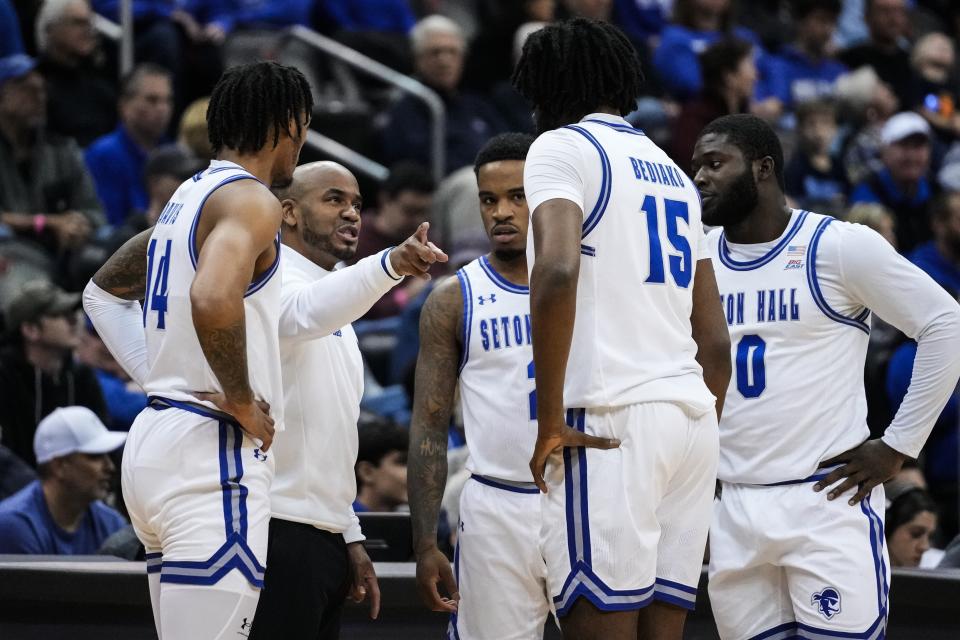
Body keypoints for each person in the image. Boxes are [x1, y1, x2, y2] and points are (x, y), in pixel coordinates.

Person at [692, 114, 960, 640]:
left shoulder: (837, 245)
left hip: (825, 500)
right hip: (731, 504)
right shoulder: (697, 257)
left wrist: (899, 445)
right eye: (696, 165)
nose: (700, 177)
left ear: (763, 168)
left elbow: (945, 323)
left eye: (715, 163)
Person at [512, 19, 733, 639]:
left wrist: (551, 415)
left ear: (549, 85)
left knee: (598, 625)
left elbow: (555, 273)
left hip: (608, 417)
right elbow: (715, 340)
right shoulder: (673, 172)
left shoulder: (561, 147)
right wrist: (690, 427)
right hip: (690, 417)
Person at [82, 61, 313, 639]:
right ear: (286, 124)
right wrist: (238, 397)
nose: (302, 147)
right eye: (304, 129)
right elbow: (213, 297)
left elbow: (101, 295)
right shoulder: (251, 201)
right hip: (211, 456)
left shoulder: (185, 198)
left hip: (158, 441)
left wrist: (163, 379)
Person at [249, 160, 446, 638]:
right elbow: (302, 313)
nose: (352, 213)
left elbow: (334, 440)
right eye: (334, 199)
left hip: (323, 533)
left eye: (357, 203)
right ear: (290, 212)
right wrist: (391, 265)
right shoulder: (268, 282)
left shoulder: (336, 301)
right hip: (273, 527)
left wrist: (350, 534)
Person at [409, 133, 559, 639]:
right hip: (496, 503)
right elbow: (429, 425)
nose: (502, 212)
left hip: (581, 497)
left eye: (518, 196)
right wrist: (425, 542)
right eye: (489, 199)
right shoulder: (454, 297)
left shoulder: (589, 281)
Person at [0, 54, 104, 297]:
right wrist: (46, 222)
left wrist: (77, 223)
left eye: (42, 90)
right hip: (12, 252)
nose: (39, 98)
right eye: (27, 89)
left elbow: (94, 211)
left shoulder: (62, 150)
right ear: (2, 96)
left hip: (64, 251)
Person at [380, 15, 506, 174]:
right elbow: (413, 163)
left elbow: (507, 145)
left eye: (452, 52)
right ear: (417, 60)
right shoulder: (407, 110)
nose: (444, 61)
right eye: (435, 52)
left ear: (463, 59)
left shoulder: (477, 105)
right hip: (444, 188)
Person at [0, 280, 107, 467]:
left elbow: (101, 439)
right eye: (60, 314)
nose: (74, 321)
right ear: (30, 330)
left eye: (73, 313)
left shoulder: (81, 376)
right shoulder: (5, 378)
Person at [0, 406, 127, 554]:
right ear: (60, 466)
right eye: (95, 456)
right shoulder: (14, 526)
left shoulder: (110, 522)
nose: (110, 466)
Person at [84, 64, 174, 227]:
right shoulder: (103, 155)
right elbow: (106, 225)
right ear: (125, 105)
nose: (163, 108)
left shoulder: (174, 154)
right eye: (152, 100)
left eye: (167, 100)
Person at [353, 162, 436, 319]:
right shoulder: (356, 238)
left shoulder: (424, 236)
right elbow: (352, 304)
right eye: (410, 211)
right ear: (385, 200)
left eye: (424, 212)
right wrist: (403, 298)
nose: (418, 220)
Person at [849, 111, 937, 253]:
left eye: (918, 146)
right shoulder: (867, 193)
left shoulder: (936, 191)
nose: (912, 156)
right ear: (884, 151)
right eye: (904, 146)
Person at [35, 0, 117, 146]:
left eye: (89, 23)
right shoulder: (36, 86)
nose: (87, 30)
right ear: (51, 28)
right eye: (78, 23)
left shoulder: (101, 88)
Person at [671, 38, 757, 174]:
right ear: (729, 77)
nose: (755, 75)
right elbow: (695, 168)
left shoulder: (747, 119)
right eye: (749, 66)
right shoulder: (693, 118)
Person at [760, 0, 846, 110]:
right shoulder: (776, 66)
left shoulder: (839, 71)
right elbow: (771, 109)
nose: (828, 29)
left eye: (833, 22)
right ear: (800, 20)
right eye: (822, 20)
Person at [838, 0, 913, 106]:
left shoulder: (912, 62)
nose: (893, 19)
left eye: (898, 12)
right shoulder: (849, 58)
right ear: (867, 16)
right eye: (885, 11)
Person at [783, 99, 848, 214]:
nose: (819, 132)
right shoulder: (793, 168)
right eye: (811, 124)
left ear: (835, 129)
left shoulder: (841, 167)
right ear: (799, 129)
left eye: (825, 123)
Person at [353, 421, 409, 513]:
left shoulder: (410, 524)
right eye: (403, 462)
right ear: (367, 472)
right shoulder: (341, 523)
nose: (417, 473)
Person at [885, 487, 939, 567]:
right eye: (916, 534)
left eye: (930, 537)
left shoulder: (937, 566)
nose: (925, 547)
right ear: (888, 527)